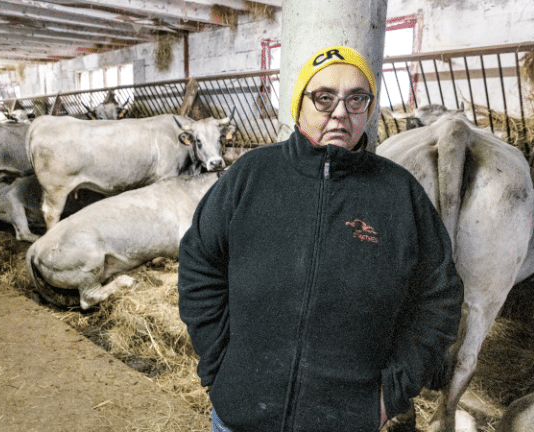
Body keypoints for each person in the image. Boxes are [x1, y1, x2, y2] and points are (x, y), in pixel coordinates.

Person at [177, 45, 464, 432]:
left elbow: (438, 296)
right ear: (299, 106)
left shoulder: (399, 193)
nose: (340, 112)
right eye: (324, 98)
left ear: (368, 108)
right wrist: (218, 363)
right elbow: (200, 263)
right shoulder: (251, 176)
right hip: (240, 412)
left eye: (356, 99)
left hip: (345, 419)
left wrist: (391, 393)